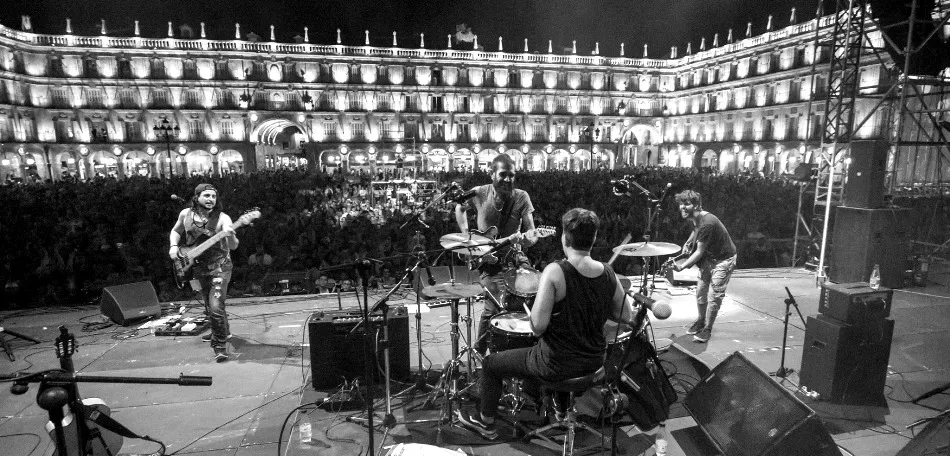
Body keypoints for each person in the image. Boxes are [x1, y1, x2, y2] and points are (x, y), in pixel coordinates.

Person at [457, 208, 635, 440]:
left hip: (556, 365)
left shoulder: (555, 271)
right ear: (593, 238)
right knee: (542, 351)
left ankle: (486, 423)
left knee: (491, 363)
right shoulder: (608, 272)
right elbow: (626, 315)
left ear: (564, 238)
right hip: (594, 363)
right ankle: (560, 411)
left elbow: (537, 327)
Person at [454, 154, 538, 356]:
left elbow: (532, 233)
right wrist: (467, 236)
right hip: (488, 261)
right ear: (491, 174)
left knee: (528, 300)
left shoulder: (521, 197)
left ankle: (519, 352)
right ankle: (481, 352)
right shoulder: (480, 193)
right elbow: (459, 206)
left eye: (512, 175)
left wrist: (526, 239)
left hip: (514, 259)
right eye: (503, 175)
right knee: (494, 307)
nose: (508, 180)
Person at [169, 183, 239, 362]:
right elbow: (176, 231)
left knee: (216, 305)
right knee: (209, 304)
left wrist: (230, 235)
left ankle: (219, 345)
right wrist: (174, 246)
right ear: (197, 197)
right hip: (198, 267)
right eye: (207, 196)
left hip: (220, 268)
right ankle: (224, 330)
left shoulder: (223, 218)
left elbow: (233, 246)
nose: (211, 200)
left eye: (214, 196)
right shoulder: (186, 214)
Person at [671, 190, 737, 343]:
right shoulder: (696, 218)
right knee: (700, 291)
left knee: (715, 295)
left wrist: (682, 267)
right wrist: (688, 242)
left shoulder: (707, 222)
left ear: (696, 205)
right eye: (681, 204)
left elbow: (699, 252)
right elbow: (696, 230)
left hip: (723, 259)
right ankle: (701, 320)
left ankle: (708, 329)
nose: (682, 207)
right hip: (710, 257)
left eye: (686, 204)